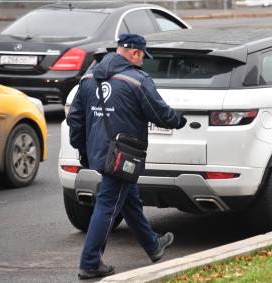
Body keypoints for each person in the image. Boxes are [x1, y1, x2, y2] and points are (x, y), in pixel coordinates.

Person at [67, 33, 187, 280]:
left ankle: (153, 246)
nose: (143, 61)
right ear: (133, 52)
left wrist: (82, 150)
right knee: (108, 204)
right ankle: (90, 263)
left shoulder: (88, 78)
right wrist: (178, 120)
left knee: (129, 199)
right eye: (142, 56)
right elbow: (159, 112)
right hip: (124, 155)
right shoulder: (136, 80)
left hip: (99, 152)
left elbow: (75, 119)